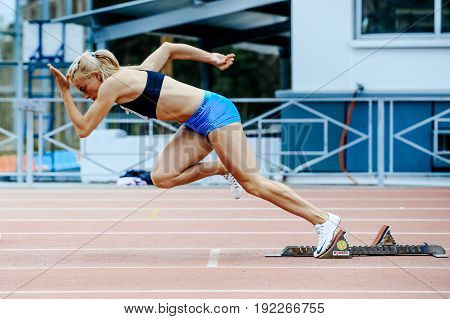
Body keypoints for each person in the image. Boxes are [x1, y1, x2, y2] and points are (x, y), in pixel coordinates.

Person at [48, 42, 341, 258]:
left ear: (98, 76)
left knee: (253, 182)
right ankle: (220, 167)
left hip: (214, 113)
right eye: (77, 93)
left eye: (83, 88)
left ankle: (324, 221)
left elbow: (84, 130)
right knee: (162, 176)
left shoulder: (112, 84)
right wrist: (210, 57)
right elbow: (168, 48)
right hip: (195, 123)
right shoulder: (135, 74)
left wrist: (63, 94)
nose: (84, 96)